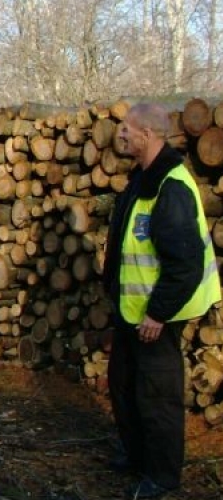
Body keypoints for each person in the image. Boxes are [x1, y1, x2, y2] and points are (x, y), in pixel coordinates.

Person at [103, 103, 221, 498]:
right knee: (123, 386)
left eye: (126, 129)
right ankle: (136, 456)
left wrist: (157, 313)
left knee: (157, 398)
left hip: (156, 315)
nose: (119, 135)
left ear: (149, 134)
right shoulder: (142, 177)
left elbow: (184, 262)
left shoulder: (171, 186)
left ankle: (163, 474)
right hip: (130, 311)